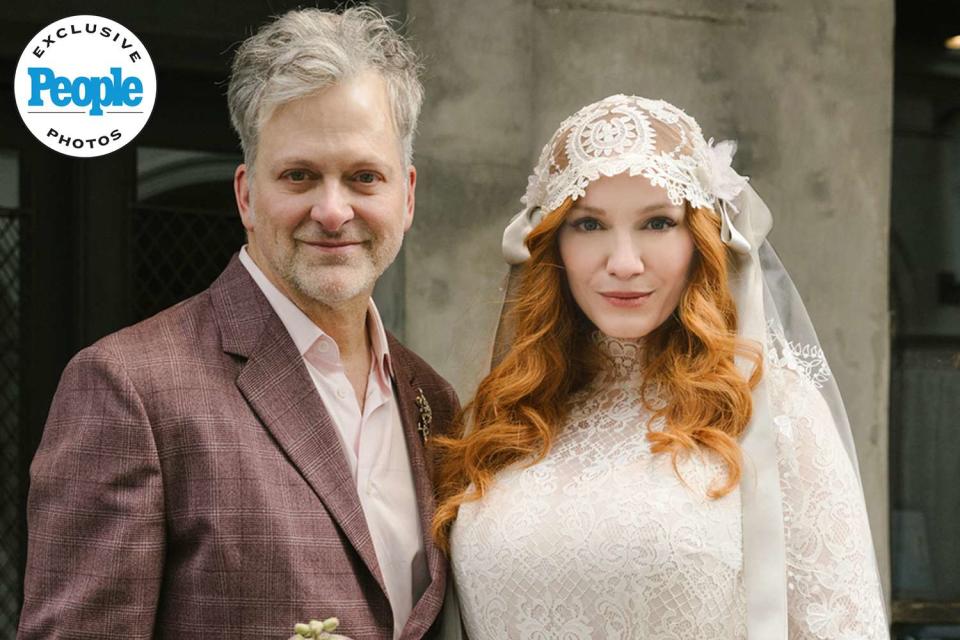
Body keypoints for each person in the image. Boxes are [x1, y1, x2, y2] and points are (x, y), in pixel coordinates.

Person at [19, 7, 458, 640]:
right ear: (247, 195)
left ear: (407, 195)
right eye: (299, 176)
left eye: (364, 177)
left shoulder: (434, 401)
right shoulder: (129, 389)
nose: (333, 211)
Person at [431, 95, 888, 639]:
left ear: (701, 239)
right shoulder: (504, 418)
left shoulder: (772, 408)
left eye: (657, 222)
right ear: (552, 243)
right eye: (589, 226)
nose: (624, 263)